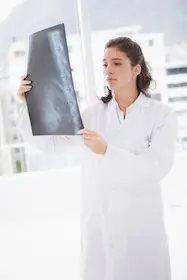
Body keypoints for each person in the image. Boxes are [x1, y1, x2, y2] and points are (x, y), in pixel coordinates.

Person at [17, 37, 178, 280]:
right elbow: (51, 145)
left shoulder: (161, 116)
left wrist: (107, 151)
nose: (108, 71)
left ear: (136, 68)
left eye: (116, 63)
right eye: (104, 64)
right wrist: (29, 105)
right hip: (101, 228)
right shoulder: (92, 115)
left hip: (142, 230)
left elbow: (155, 168)